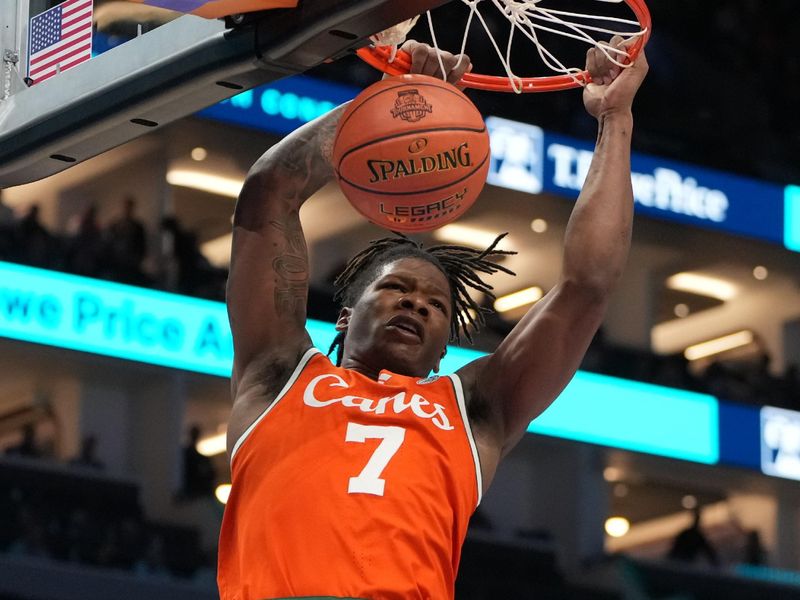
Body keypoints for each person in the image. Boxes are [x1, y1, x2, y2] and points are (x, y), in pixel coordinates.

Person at [217, 37, 648, 600]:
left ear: (445, 347)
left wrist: (615, 118)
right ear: (345, 316)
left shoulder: (472, 410)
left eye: (436, 305)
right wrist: (392, 103)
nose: (416, 303)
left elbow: (587, 286)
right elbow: (267, 195)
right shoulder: (279, 376)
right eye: (395, 288)